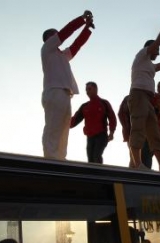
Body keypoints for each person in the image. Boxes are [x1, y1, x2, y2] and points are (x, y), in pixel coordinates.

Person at [128, 15, 160, 172]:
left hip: (148, 99)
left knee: (154, 133)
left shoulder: (150, 66)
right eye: (156, 50)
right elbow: (158, 42)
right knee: (138, 127)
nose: (158, 52)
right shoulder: (141, 56)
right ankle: (136, 165)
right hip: (138, 95)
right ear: (149, 48)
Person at [41, 10, 94, 160]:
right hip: (54, 92)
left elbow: (76, 46)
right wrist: (82, 19)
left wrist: (87, 28)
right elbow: (66, 32)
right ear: (48, 39)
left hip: (65, 94)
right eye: (55, 34)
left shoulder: (61, 55)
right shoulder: (46, 49)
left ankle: (60, 158)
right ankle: (50, 157)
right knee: (53, 127)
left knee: (64, 128)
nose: (58, 35)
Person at [70, 81, 117, 164]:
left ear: (95, 89)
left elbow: (112, 118)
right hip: (90, 137)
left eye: (89, 89)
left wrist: (112, 132)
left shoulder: (104, 103)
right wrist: (62, 124)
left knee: (96, 155)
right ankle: (91, 175)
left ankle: (99, 175)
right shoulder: (85, 106)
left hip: (101, 135)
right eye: (86, 90)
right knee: (90, 159)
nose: (87, 92)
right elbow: (75, 120)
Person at [118, 95, 153, 168]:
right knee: (136, 157)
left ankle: (135, 175)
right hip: (134, 132)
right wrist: (127, 128)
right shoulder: (129, 98)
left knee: (137, 157)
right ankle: (136, 175)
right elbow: (121, 114)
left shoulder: (150, 98)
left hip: (144, 133)